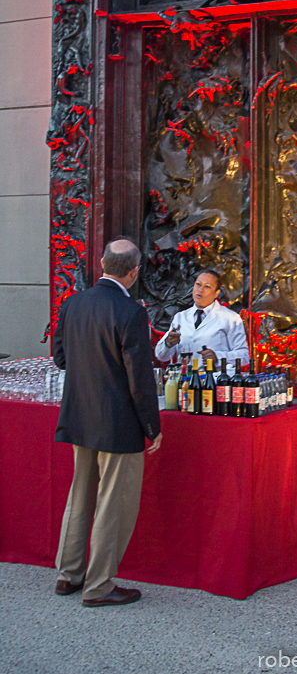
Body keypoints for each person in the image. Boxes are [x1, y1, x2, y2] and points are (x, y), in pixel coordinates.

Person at [53, 238, 162, 607]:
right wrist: (153, 426)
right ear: (134, 272)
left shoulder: (73, 303)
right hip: (118, 422)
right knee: (113, 503)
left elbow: (60, 358)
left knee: (79, 496)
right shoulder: (131, 312)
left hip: (80, 413)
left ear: (101, 263)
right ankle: (98, 585)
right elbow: (141, 380)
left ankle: (69, 575)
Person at [155, 269, 249, 374]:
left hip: (215, 382)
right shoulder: (180, 317)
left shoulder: (230, 318)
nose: (200, 289)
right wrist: (168, 343)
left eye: (207, 286)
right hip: (186, 381)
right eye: (198, 284)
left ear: (217, 293)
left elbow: (244, 356)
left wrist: (218, 357)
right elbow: (161, 356)